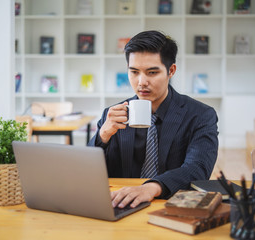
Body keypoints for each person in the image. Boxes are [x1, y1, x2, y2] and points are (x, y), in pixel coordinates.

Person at [88, 30, 218, 209]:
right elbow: (88, 172)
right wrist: (103, 137)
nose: (141, 82)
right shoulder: (112, 115)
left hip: (173, 204)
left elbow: (198, 168)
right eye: (134, 72)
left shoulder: (201, 115)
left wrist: (151, 188)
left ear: (170, 70)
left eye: (152, 72)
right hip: (121, 203)